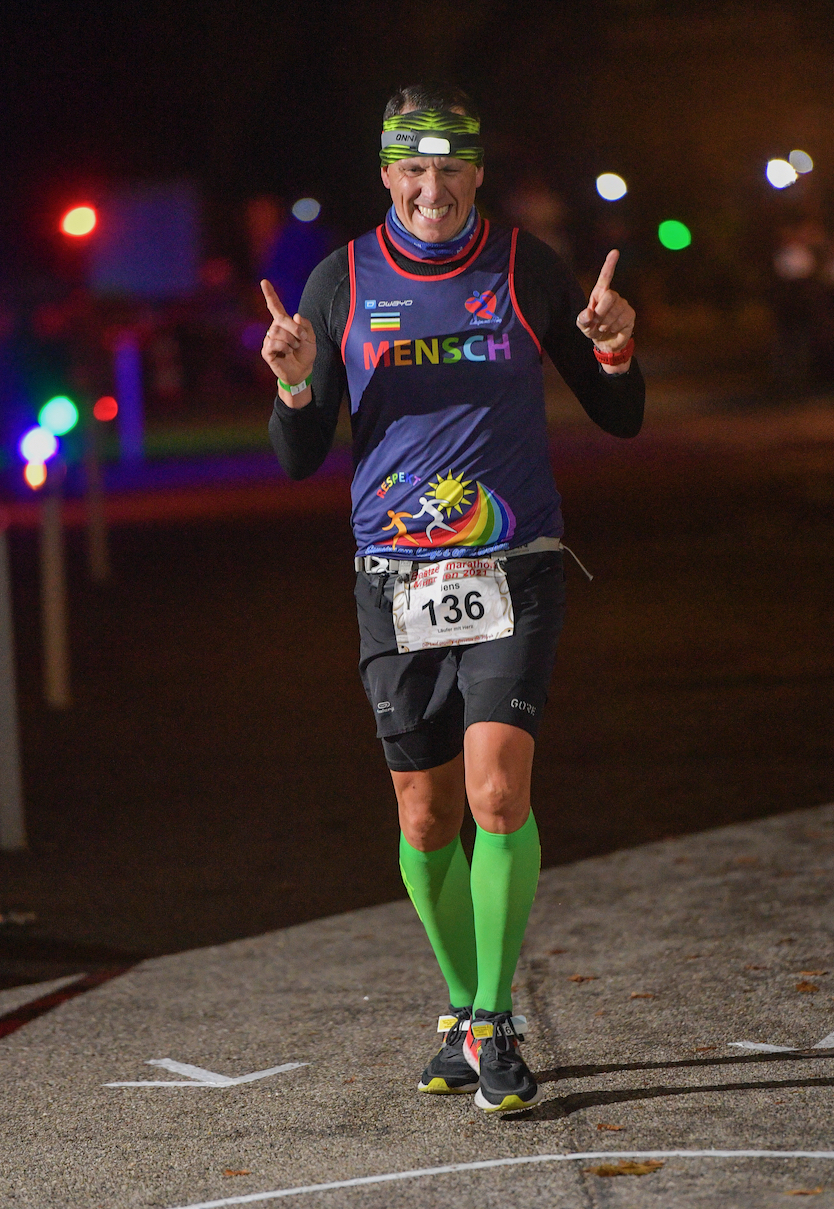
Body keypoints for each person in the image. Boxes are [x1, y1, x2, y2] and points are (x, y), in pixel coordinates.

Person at [263, 84, 643, 1113]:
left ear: (477, 175)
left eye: (450, 169)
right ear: (386, 176)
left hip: (510, 566)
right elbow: (300, 456)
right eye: (411, 170)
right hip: (392, 580)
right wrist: (297, 381)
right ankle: (459, 1001)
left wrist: (611, 341)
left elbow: (616, 414)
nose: (431, 189)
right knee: (425, 814)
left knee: (492, 794)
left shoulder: (524, 268)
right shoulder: (341, 281)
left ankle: (491, 1019)